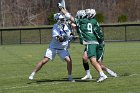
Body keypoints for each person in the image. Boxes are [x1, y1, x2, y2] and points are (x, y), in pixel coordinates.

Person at [57, 3, 107, 82]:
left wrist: (61, 9)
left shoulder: (82, 21)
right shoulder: (90, 21)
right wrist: (63, 10)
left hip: (90, 42)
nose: (78, 17)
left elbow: (69, 17)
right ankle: (89, 74)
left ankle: (102, 74)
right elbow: (72, 21)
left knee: (92, 60)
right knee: (85, 57)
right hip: (92, 41)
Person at [29, 13, 75, 82]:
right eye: (61, 19)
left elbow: (71, 35)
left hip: (62, 49)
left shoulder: (66, 26)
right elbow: (59, 39)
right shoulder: (55, 27)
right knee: (44, 61)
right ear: (57, 20)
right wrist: (66, 37)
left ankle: (70, 76)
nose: (63, 20)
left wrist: (72, 35)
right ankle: (33, 73)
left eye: (63, 19)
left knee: (69, 61)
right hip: (53, 48)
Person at [81, 9, 117, 80]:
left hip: (98, 44)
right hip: (91, 43)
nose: (86, 15)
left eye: (88, 14)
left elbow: (99, 35)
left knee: (98, 63)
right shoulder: (88, 21)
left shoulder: (94, 22)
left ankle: (108, 71)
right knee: (84, 57)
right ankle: (88, 74)